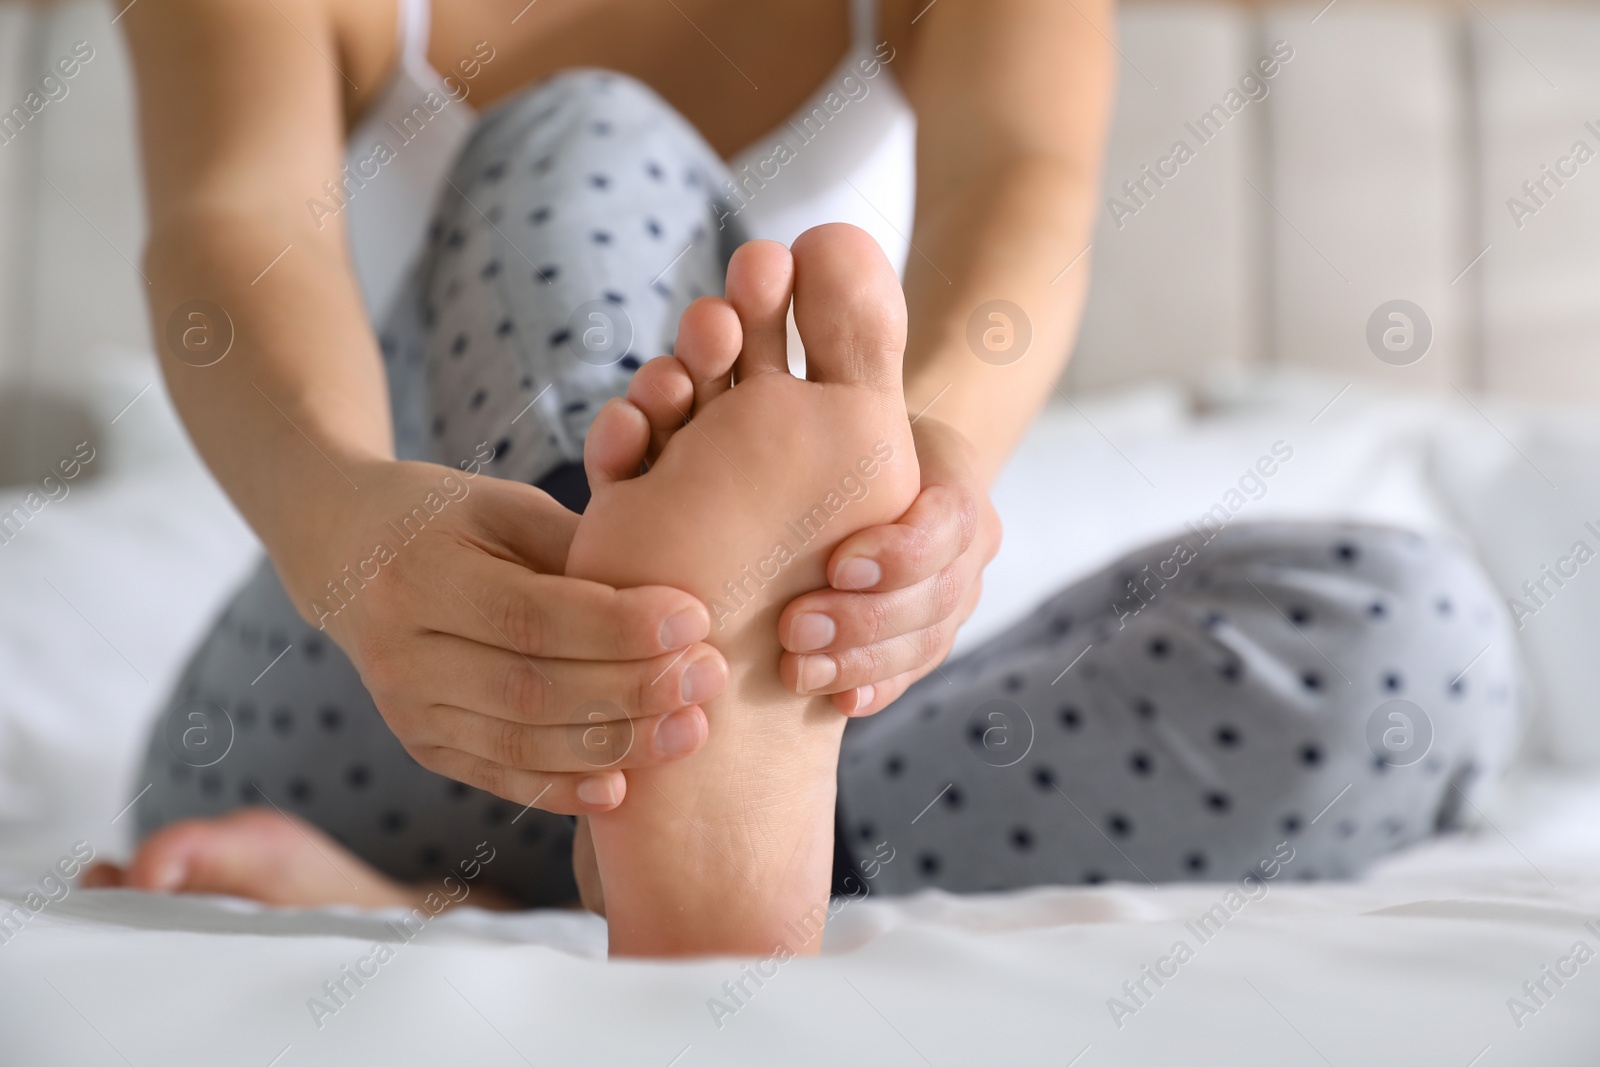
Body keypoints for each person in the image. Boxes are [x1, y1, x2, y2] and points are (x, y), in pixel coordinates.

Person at [86, 0, 1520, 955]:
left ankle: (673, 832)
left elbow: (1020, 178)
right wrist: (346, 525)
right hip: (378, 683)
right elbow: (228, 227)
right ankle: (668, 714)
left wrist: (934, 466)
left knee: (1414, 642)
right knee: (588, 129)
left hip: (797, 704)